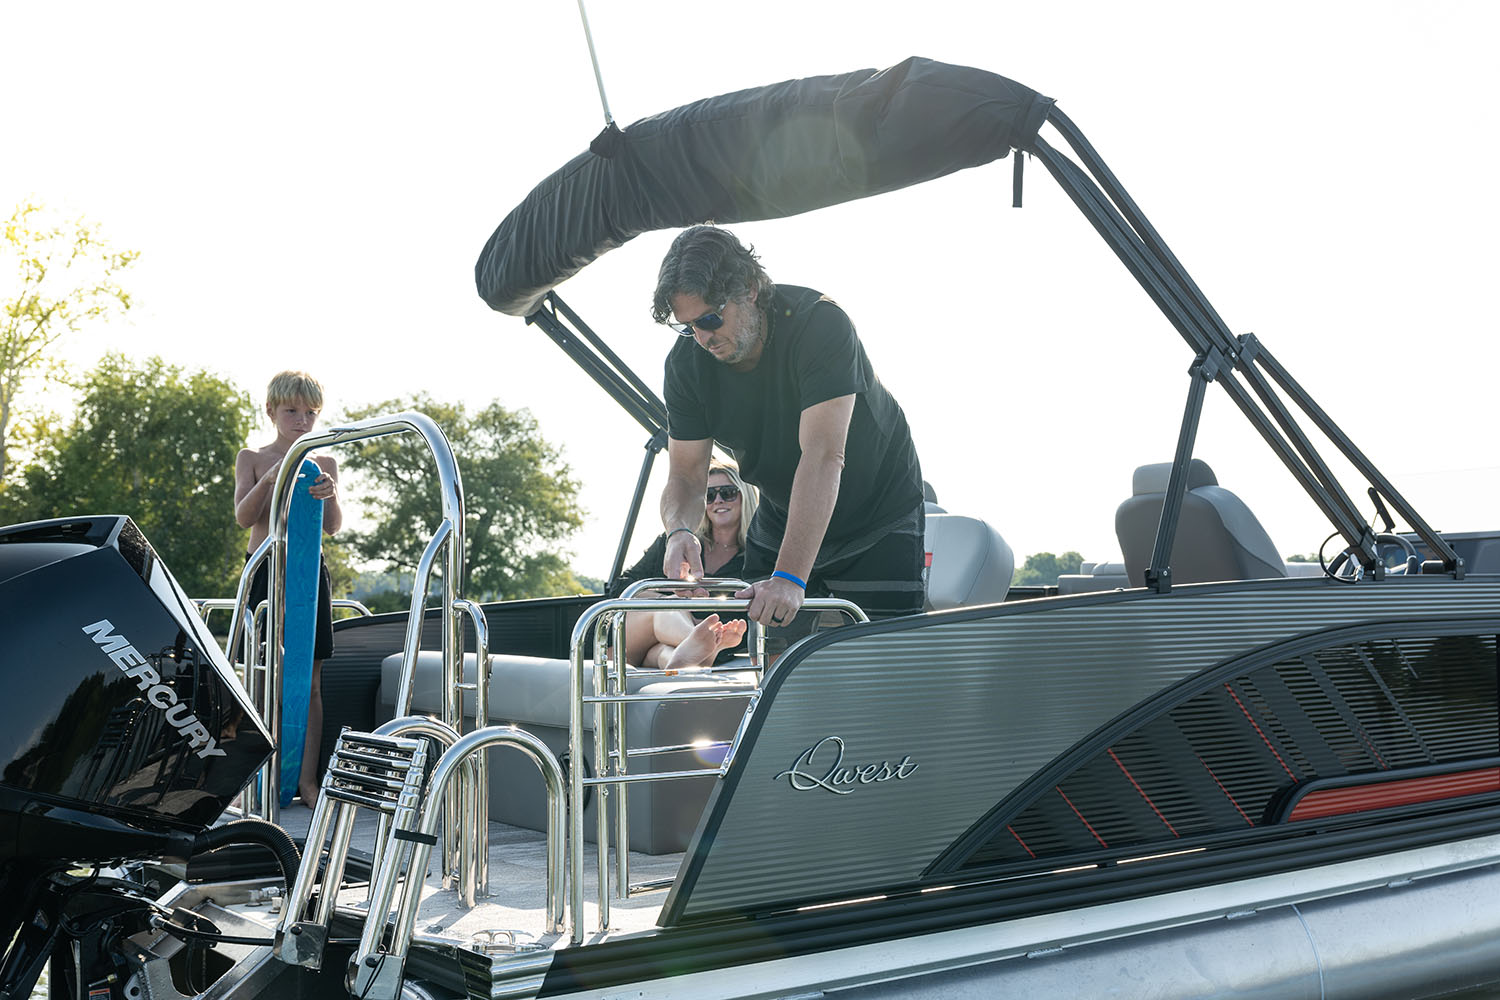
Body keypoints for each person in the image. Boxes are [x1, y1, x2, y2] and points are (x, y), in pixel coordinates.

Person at [652, 226, 926, 633]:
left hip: (876, 512)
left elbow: (823, 456)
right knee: (770, 655)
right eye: (688, 325)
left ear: (749, 289)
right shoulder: (686, 365)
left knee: (883, 660)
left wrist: (790, 577)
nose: (703, 338)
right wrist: (678, 531)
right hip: (783, 512)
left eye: (710, 318)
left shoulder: (820, 324)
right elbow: (686, 475)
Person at [233, 371, 343, 806]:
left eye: (310, 413)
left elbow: (333, 527)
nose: (302, 420)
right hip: (265, 571)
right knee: (262, 678)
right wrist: (271, 479)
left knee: (309, 681)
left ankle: (307, 780)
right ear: (271, 411)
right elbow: (244, 517)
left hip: (309, 575)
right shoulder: (252, 458)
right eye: (292, 411)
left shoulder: (324, 464)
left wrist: (330, 494)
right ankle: (256, 779)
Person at [609, 462, 756, 668]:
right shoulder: (678, 543)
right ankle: (700, 640)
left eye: (728, 493)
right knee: (668, 609)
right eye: (709, 495)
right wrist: (673, 599)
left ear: (745, 496)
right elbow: (621, 587)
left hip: (661, 649)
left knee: (665, 653)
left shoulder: (756, 557)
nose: (718, 500)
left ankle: (691, 655)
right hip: (633, 643)